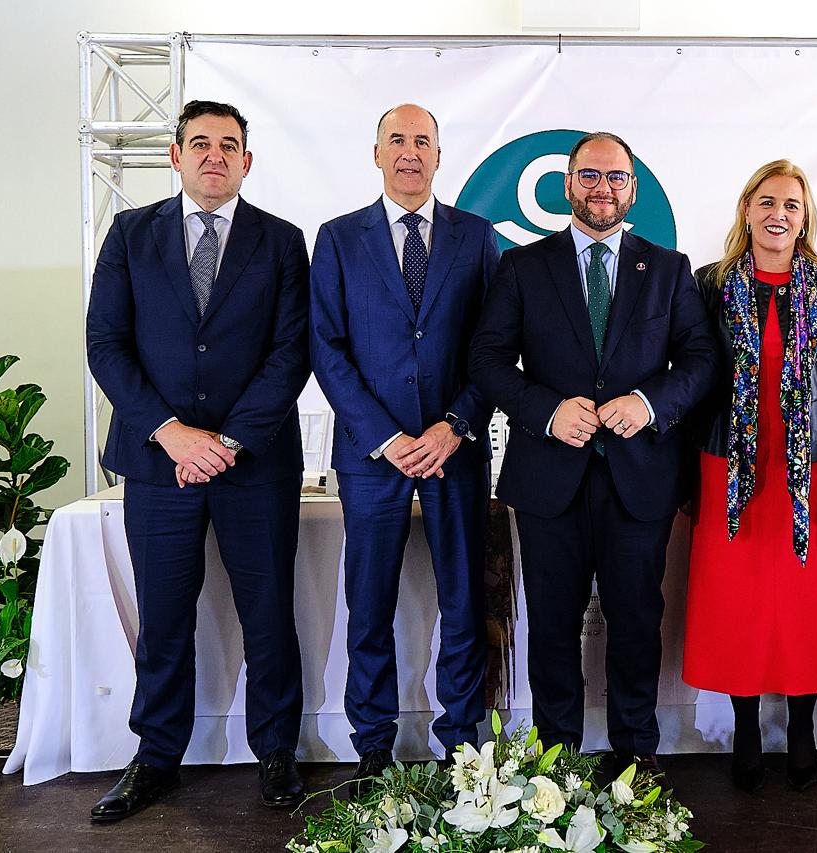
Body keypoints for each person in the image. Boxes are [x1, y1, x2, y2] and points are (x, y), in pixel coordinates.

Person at [85, 100, 310, 821]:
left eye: (229, 145)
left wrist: (227, 442)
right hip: (159, 462)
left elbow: (290, 354)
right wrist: (171, 433)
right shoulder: (130, 234)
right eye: (201, 143)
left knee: (268, 613)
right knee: (163, 616)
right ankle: (155, 757)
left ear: (247, 161)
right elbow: (105, 344)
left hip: (256, 464)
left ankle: (276, 750)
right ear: (176, 155)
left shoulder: (282, 241)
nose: (216, 155)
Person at [469, 131, 716, 780]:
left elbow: (700, 361)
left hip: (640, 479)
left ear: (633, 190)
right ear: (567, 184)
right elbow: (486, 360)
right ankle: (556, 759)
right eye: (589, 176)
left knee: (636, 621)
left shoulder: (669, 269)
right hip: (549, 479)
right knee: (553, 626)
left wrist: (649, 402)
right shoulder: (523, 266)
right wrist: (546, 409)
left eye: (615, 177)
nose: (602, 188)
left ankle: (636, 751)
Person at [310, 104, 500, 792]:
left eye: (423, 141)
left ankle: (462, 743)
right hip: (372, 456)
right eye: (398, 139)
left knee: (463, 600)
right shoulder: (338, 238)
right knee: (369, 602)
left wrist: (454, 425)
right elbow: (325, 348)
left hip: (455, 450)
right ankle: (371, 743)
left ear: (439, 157)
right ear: (377, 153)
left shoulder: (476, 236)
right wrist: (388, 437)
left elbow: (492, 346)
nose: (410, 151)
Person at [682, 160, 817, 793]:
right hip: (728, 465)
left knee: (804, 606)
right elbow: (692, 378)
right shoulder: (711, 283)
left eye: (791, 205)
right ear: (746, 210)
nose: (778, 215)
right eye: (767, 202)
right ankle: (744, 729)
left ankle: (801, 729)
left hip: (810, 469)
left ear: (805, 217)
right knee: (736, 603)